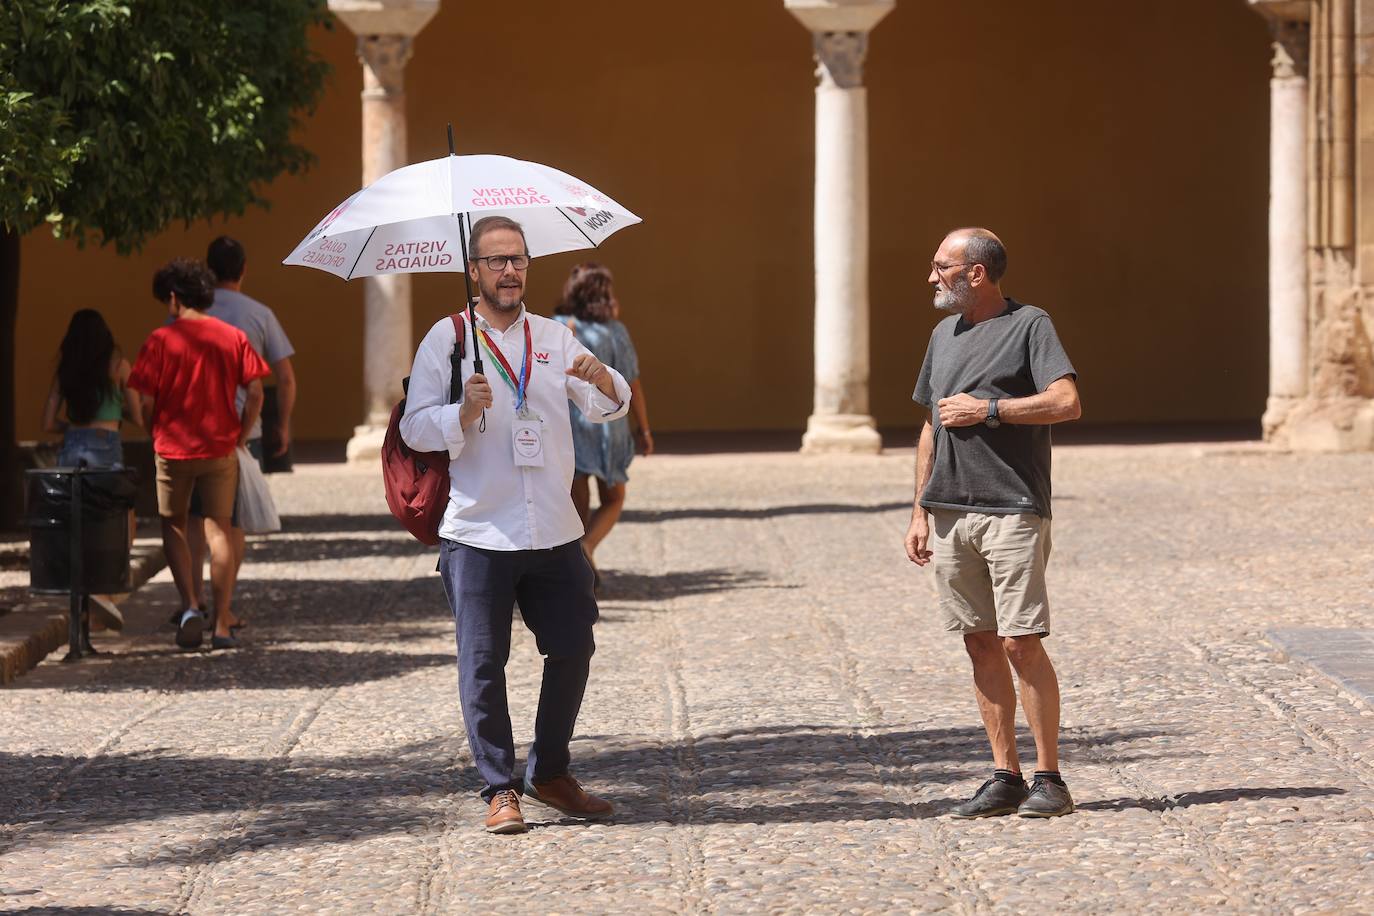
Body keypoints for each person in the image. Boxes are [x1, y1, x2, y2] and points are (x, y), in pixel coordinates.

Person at [400, 216, 632, 835]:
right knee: (483, 663)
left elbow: (609, 405)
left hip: (554, 527)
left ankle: (550, 772)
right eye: (497, 261)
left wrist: (604, 380)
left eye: (519, 260)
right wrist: (460, 412)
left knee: (574, 647)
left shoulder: (553, 337)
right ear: (473, 270)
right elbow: (414, 428)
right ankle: (499, 787)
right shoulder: (447, 340)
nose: (510, 271)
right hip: (478, 529)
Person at [903, 228, 1082, 819]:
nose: (932, 277)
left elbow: (1066, 402)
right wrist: (919, 510)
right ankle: (1005, 775)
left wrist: (990, 410)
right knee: (979, 641)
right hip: (950, 511)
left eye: (942, 266)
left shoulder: (1031, 325)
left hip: (1013, 507)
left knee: (1019, 642)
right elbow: (930, 425)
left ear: (975, 273)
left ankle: (1050, 779)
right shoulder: (942, 335)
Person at [127, 259, 270, 651]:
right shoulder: (232, 337)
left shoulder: (160, 340)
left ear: (174, 298)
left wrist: (152, 429)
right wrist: (241, 434)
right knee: (220, 530)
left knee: (174, 525)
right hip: (220, 446)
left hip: (172, 449)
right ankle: (222, 622)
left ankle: (191, 604)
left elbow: (144, 400)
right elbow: (256, 392)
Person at [186, 236, 297, 624]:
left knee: (194, 519)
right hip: (242, 431)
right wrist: (282, 425)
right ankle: (224, 607)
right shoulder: (259, 314)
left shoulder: (190, 315)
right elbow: (285, 378)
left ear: (207, 269)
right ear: (244, 269)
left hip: (194, 429)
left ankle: (193, 600)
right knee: (232, 522)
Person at [41, 309, 144, 631]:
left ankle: (88, 595)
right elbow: (138, 415)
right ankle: (105, 591)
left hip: (71, 446)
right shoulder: (119, 366)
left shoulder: (66, 370)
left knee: (77, 520)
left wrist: (72, 428)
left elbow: (47, 423)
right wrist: (115, 411)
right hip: (106, 444)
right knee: (120, 518)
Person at [552, 263, 652, 586]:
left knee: (577, 505)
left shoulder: (558, 327)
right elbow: (631, 382)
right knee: (614, 498)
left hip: (573, 427)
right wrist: (644, 428)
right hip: (610, 427)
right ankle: (588, 545)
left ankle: (576, 568)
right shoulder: (615, 331)